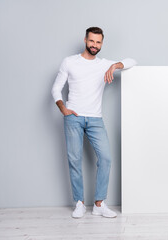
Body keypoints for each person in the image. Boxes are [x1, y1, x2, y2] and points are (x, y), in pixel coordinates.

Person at [51, 27, 137, 218]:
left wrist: (115, 66)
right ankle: (79, 202)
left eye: (98, 42)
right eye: (91, 41)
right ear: (85, 40)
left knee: (106, 158)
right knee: (75, 160)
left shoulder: (104, 64)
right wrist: (63, 109)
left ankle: (99, 203)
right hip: (73, 116)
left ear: (102, 43)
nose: (94, 45)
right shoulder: (70, 62)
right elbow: (56, 88)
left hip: (95, 119)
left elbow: (132, 62)